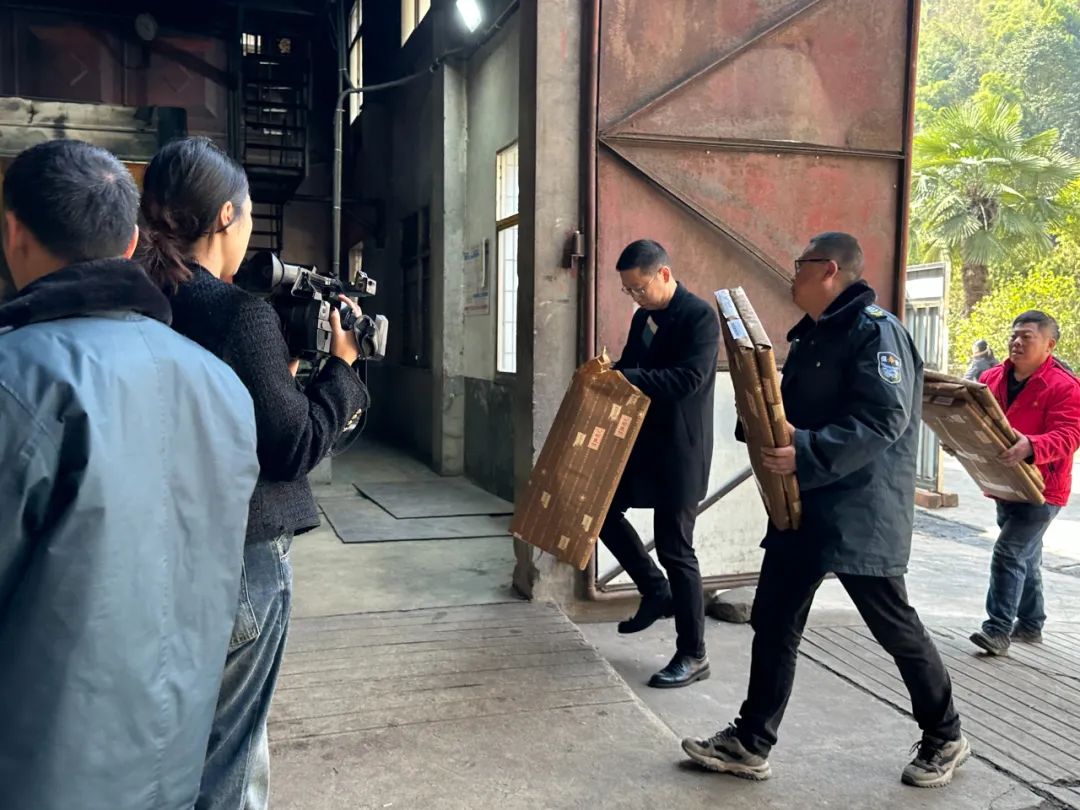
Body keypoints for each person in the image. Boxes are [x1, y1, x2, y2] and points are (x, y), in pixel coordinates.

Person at [0, 140, 259, 809]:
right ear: (130, 243)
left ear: (14, 231)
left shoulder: (16, 381)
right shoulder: (222, 388)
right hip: (171, 768)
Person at [681, 233, 968, 788]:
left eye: (800, 264)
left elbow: (884, 420)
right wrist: (760, 423)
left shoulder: (876, 333)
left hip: (859, 511)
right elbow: (790, 410)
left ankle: (946, 734)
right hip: (804, 506)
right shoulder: (814, 333)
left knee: (894, 627)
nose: (792, 274)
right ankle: (751, 742)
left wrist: (807, 451)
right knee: (774, 621)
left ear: (830, 269)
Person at [138, 136, 369, 810]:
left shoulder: (145, 299)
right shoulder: (240, 314)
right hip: (239, 555)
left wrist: (281, 375)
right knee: (233, 747)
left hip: (154, 547)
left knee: (172, 735)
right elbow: (293, 448)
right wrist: (344, 370)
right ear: (226, 217)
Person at [600, 239, 720, 689]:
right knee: (602, 513)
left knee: (676, 549)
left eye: (639, 288)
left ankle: (693, 654)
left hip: (680, 452)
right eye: (628, 290)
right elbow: (632, 365)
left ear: (664, 274)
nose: (635, 297)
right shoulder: (644, 317)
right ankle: (654, 589)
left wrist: (626, 377)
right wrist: (609, 372)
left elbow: (689, 380)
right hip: (642, 447)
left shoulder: (699, 317)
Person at [968, 311, 1080, 655]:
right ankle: (1031, 624)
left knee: (1010, 551)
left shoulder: (1064, 386)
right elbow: (975, 419)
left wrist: (1032, 445)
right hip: (1005, 482)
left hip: (1042, 489)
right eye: (1014, 335)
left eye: (1026, 337)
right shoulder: (991, 378)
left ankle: (997, 630)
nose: (1016, 342)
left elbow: (1071, 434)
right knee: (1025, 556)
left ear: (1049, 345)